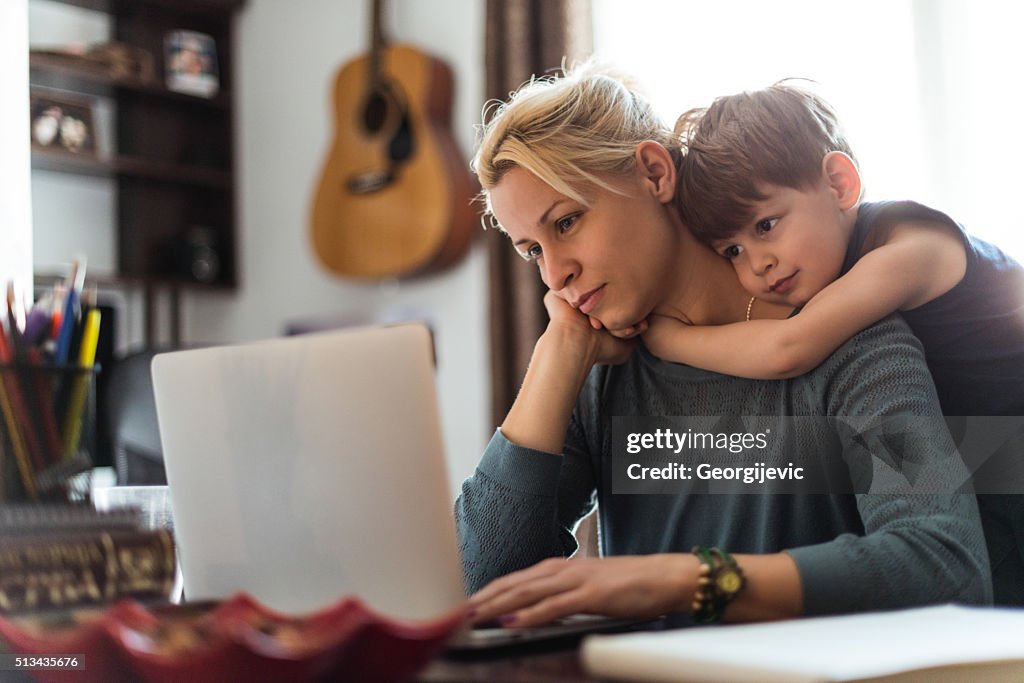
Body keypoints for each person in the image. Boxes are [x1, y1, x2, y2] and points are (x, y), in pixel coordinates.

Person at [456, 63, 991, 629]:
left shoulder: (855, 342)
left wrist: (689, 581)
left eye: (566, 223)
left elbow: (947, 563)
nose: (555, 275)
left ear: (654, 173)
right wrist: (556, 352)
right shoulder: (600, 370)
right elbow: (488, 588)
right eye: (532, 251)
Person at [644, 82, 1024, 604]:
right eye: (731, 249)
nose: (757, 264)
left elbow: (788, 349)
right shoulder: (830, 268)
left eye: (767, 225)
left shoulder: (911, 247)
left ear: (840, 184)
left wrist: (669, 339)